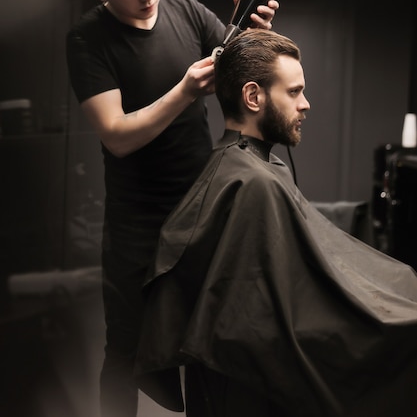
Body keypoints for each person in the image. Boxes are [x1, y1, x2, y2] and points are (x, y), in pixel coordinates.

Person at [134, 29, 417, 417]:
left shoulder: (255, 169)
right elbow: (258, 323)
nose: (306, 104)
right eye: (294, 92)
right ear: (254, 96)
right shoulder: (251, 182)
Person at [65, 0, 278, 417]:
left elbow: (238, 69)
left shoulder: (184, 11)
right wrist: (184, 91)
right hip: (136, 224)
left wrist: (252, 33)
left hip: (199, 210)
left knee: (208, 340)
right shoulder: (87, 40)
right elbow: (116, 136)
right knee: (124, 351)